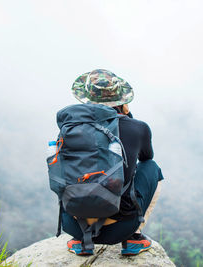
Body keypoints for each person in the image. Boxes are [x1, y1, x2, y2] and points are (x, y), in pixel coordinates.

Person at [62, 69, 164, 256]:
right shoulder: (138, 128)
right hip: (120, 228)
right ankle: (134, 237)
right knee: (152, 168)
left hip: (72, 224)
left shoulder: (69, 129)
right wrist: (128, 118)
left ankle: (80, 241)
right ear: (121, 100)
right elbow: (146, 157)